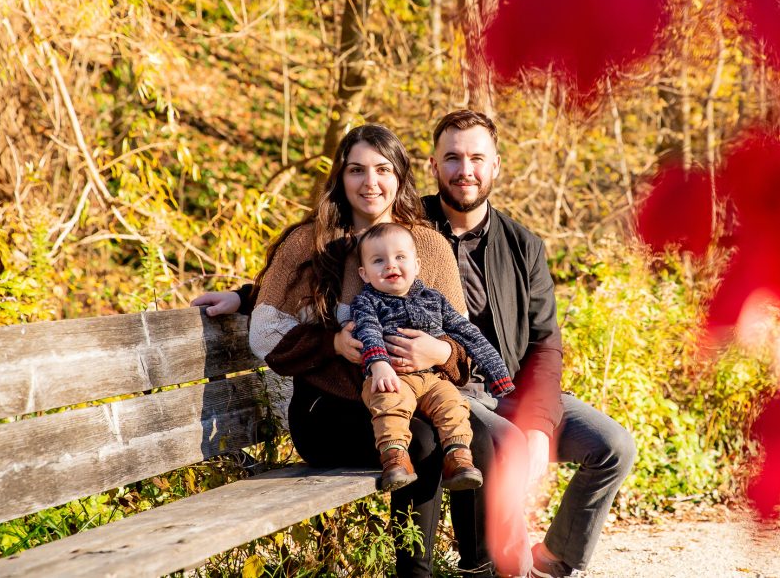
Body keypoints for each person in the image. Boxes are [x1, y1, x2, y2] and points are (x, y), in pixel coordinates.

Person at [196, 124, 472, 578]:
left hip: (409, 397)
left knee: (459, 436)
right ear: (339, 178)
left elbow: (461, 343)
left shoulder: (428, 247)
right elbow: (268, 328)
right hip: (327, 411)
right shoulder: (309, 242)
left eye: (383, 169)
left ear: (401, 176)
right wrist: (333, 343)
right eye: (356, 170)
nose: (371, 182)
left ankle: (479, 567)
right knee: (421, 442)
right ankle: (415, 574)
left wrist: (438, 351)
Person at [418, 110, 637, 578]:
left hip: (509, 391)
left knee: (613, 445)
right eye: (452, 158)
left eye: (477, 157)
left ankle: (554, 562)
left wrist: (540, 425)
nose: (465, 170)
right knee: (508, 447)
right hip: (444, 392)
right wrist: (248, 296)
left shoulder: (523, 245)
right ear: (433, 165)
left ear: (496, 165)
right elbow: (334, 269)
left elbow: (545, 344)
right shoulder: (407, 232)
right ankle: (507, 568)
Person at [351, 222, 515, 491]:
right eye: (378, 261)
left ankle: (458, 458)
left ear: (416, 265)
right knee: (389, 403)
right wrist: (378, 364)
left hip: (432, 378)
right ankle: (395, 458)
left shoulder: (434, 299)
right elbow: (367, 330)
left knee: (453, 404)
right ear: (364, 273)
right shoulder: (367, 301)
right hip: (393, 377)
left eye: (400, 257)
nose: (390, 265)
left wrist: (498, 374)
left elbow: (468, 333)